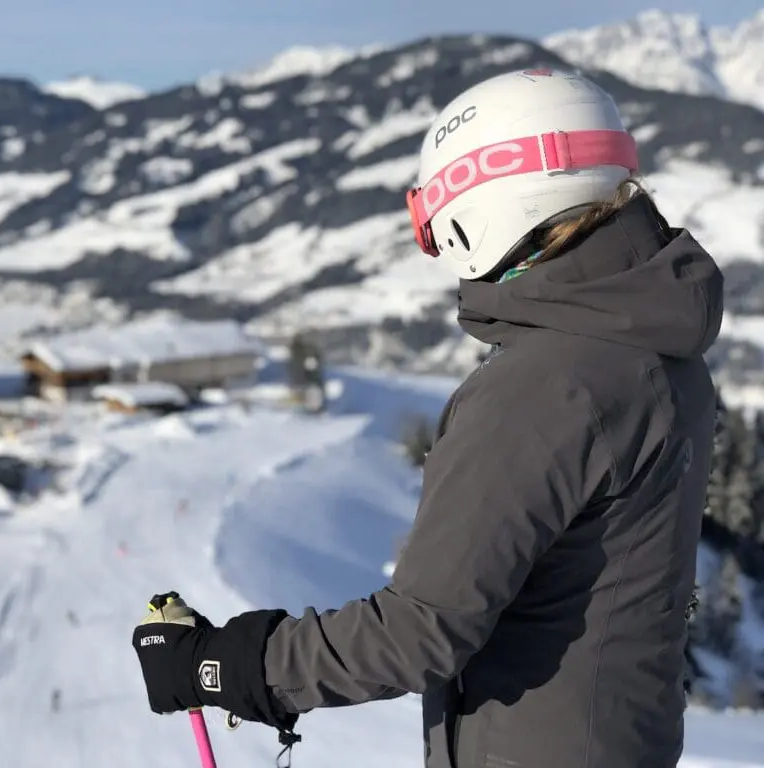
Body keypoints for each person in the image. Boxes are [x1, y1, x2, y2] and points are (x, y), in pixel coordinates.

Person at [132, 68, 724, 768]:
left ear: (479, 210)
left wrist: (219, 664)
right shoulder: (655, 343)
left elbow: (418, 632)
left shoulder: (543, 387)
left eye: (433, 226)